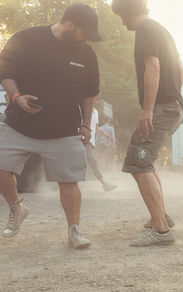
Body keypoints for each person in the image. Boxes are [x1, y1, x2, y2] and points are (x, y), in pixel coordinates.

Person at [0, 4, 103, 248]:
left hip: (64, 128)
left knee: (69, 182)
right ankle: (17, 208)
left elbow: (89, 94)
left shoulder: (86, 54)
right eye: (84, 32)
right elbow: (6, 73)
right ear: (70, 25)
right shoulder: (25, 39)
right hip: (19, 124)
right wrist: (16, 97)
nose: (87, 38)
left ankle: (74, 232)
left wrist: (86, 125)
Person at [111, 0, 183, 246]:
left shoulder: (145, 30)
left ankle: (162, 231)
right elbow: (182, 73)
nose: (121, 22)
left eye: (120, 16)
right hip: (173, 108)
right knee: (144, 160)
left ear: (126, 10)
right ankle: (161, 216)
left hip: (162, 110)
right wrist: (169, 98)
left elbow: (152, 67)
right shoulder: (163, 32)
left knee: (139, 161)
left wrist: (149, 109)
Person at [85, 99, 116, 191]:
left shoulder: (96, 112)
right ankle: (104, 184)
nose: (97, 101)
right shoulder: (83, 109)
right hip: (83, 140)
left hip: (91, 142)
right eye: (95, 99)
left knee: (89, 162)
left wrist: (103, 133)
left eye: (98, 99)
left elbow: (94, 126)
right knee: (92, 161)